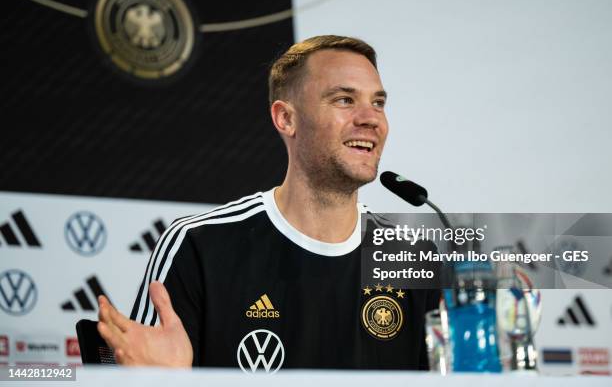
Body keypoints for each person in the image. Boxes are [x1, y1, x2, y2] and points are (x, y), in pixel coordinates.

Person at [97, 35, 440, 369]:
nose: (371, 119)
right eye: (344, 100)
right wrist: (165, 382)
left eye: (378, 103)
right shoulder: (200, 245)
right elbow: (134, 366)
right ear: (285, 118)